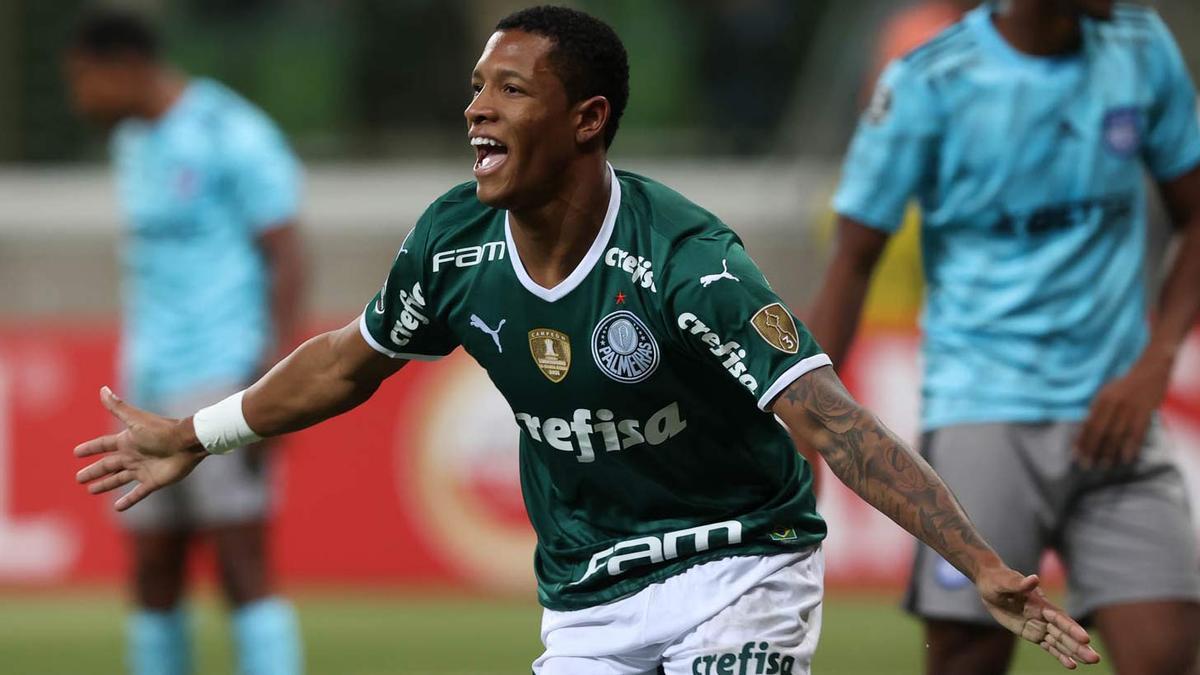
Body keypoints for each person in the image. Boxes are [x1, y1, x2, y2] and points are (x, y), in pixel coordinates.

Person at [72, 6, 1100, 674]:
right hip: (589, 595)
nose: (477, 108)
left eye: (511, 90)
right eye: (477, 86)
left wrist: (981, 564)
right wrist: (198, 435)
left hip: (738, 569)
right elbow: (351, 357)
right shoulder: (454, 243)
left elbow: (829, 419)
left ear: (587, 118)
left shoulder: (689, 260)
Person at [814, 1, 1200, 673]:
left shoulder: (1140, 47)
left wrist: (1155, 362)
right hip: (981, 409)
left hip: (1117, 413)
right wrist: (809, 424)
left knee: (1169, 651)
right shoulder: (928, 80)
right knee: (967, 655)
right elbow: (851, 260)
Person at [64, 8, 306, 675]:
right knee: (151, 565)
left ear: (127, 68)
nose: (78, 96)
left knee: (240, 557)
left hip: (222, 373)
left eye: (85, 78)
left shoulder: (232, 133)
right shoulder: (131, 141)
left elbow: (286, 252)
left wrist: (273, 380)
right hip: (143, 381)